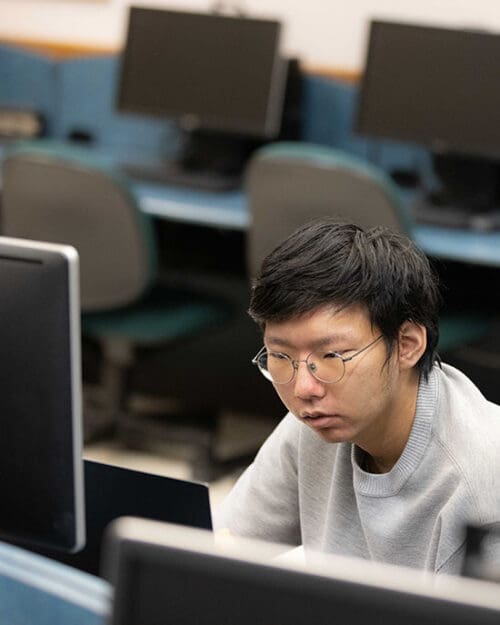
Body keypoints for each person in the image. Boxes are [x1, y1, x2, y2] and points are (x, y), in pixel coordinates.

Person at [215, 219, 500, 575]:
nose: (304, 388)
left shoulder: (485, 481)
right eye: (281, 357)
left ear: (407, 345)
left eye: (331, 357)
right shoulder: (314, 424)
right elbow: (218, 548)